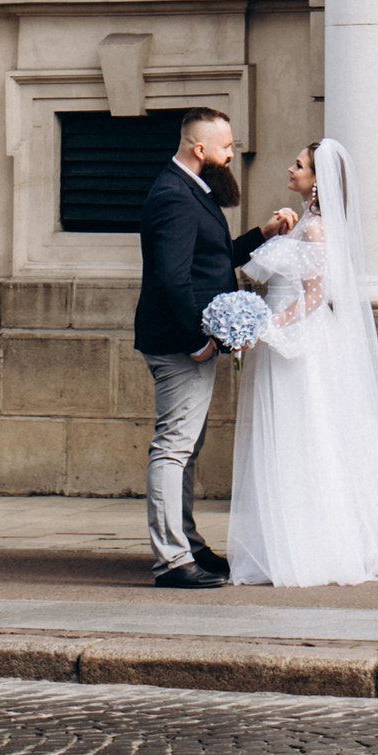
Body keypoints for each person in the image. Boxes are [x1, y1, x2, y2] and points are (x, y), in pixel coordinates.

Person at [227, 137, 378, 591]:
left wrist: (267, 326)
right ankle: (291, 540)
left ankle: (317, 546)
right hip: (283, 337)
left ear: (317, 180)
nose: (289, 170)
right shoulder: (305, 224)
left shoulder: (318, 230)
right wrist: (279, 230)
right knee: (290, 435)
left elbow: (317, 295)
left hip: (296, 341)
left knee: (306, 434)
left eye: (298, 165)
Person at [133, 106, 292, 590]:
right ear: (199, 150)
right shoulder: (174, 197)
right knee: (174, 447)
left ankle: (188, 543)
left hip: (187, 341)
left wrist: (260, 235)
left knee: (186, 446)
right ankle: (173, 560)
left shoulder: (190, 190)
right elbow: (171, 280)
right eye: (225, 148)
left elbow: (210, 259)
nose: (230, 155)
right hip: (180, 344)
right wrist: (198, 340)